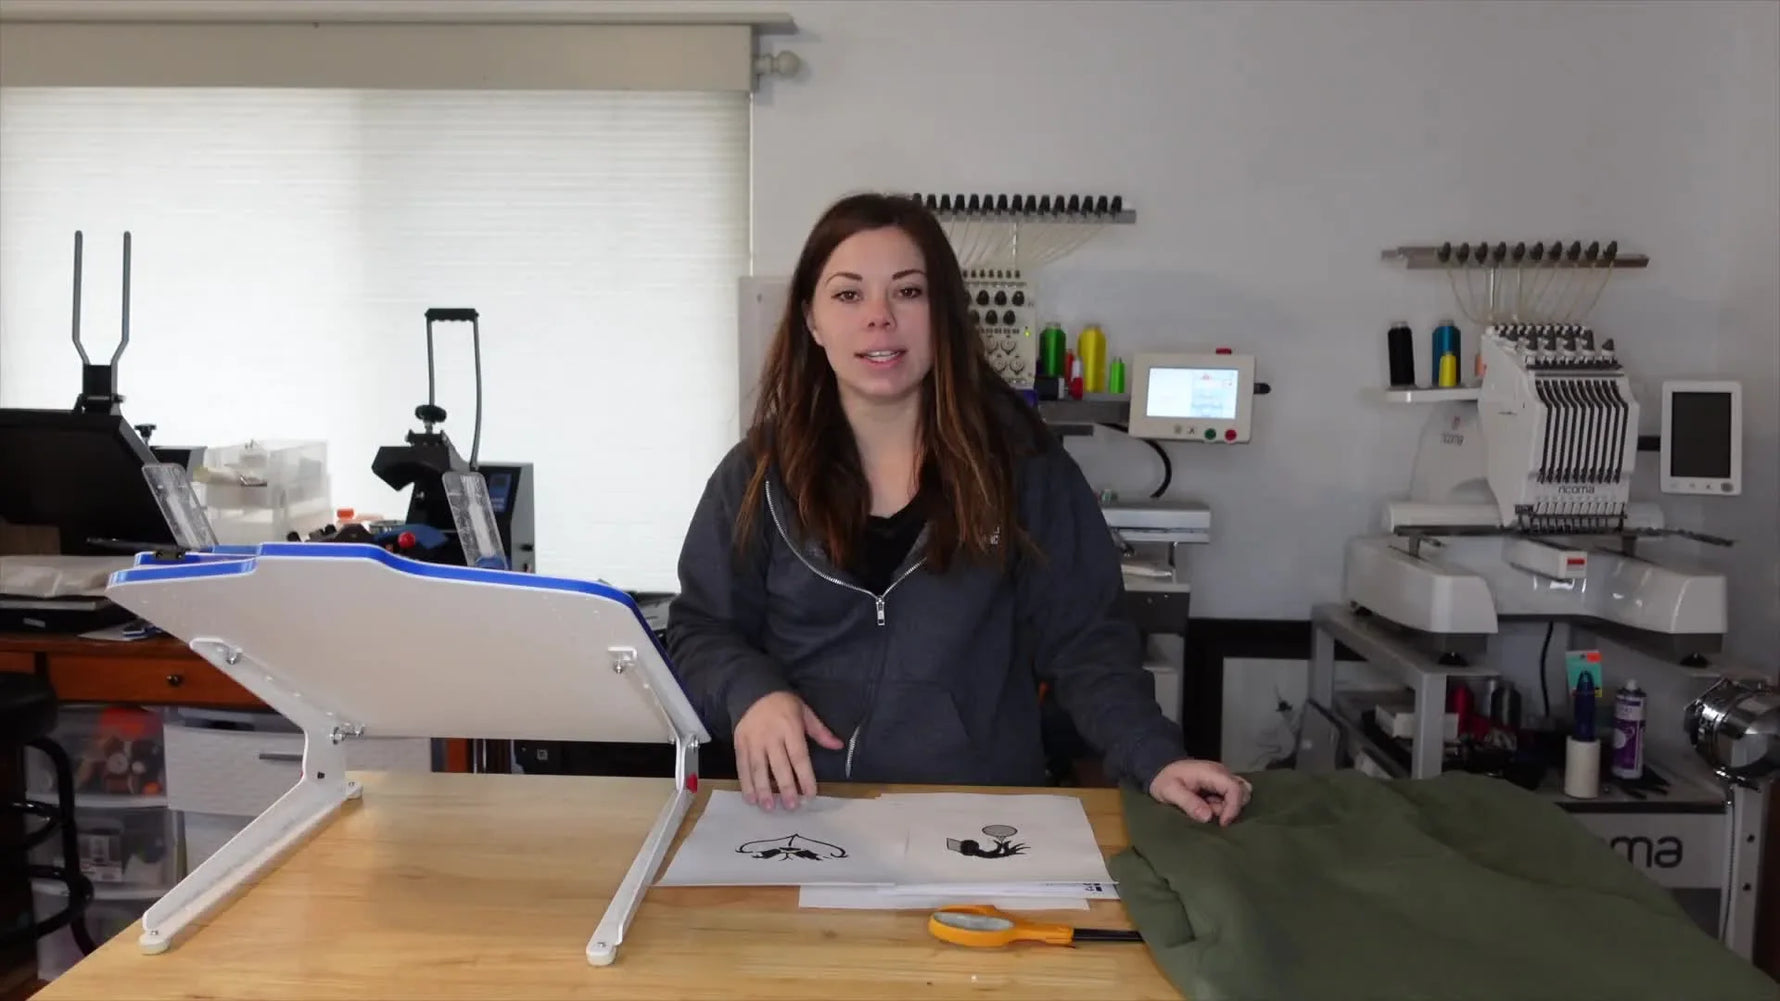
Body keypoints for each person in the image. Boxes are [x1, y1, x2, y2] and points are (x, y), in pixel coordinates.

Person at [664, 192, 1250, 826]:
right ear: (812, 320)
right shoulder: (755, 475)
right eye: (849, 294)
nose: (880, 317)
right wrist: (750, 693)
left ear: (943, 313)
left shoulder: (1024, 468)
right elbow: (700, 631)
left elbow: (1088, 642)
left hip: (979, 818)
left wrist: (1155, 757)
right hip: (801, 816)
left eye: (908, 292)